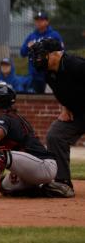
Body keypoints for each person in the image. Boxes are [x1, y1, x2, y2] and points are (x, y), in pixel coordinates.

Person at [29, 38, 85, 198]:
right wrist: (65, 107)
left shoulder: (77, 65)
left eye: (41, 55)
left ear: (56, 54)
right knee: (56, 135)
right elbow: (64, 91)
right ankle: (62, 182)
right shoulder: (48, 72)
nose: (37, 59)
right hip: (78, 113)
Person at [20, 11, 64, 93]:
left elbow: (62, 52)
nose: (38, 22)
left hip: (50, 74)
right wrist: (28, 47)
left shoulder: (54, 35)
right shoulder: (31, 36)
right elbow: (22, 53)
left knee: (50, 100)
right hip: (34, 75)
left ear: (47, 22)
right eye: (37, 20)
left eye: (41, 20)